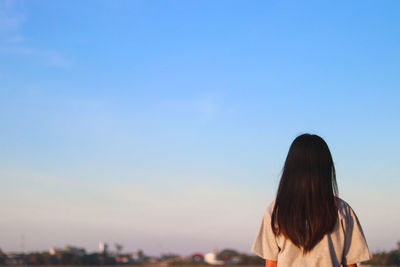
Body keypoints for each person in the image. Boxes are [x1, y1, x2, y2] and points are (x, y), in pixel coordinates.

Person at [251, 134, 372, 267]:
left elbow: (271, 264)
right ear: (326, 167)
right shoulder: (342, 210)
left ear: (291, 168)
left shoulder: (276, 210)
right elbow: (351, 264)